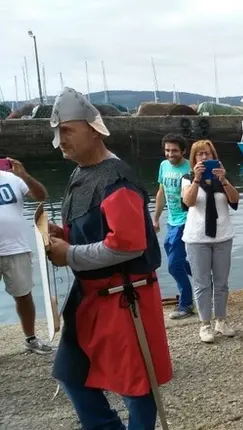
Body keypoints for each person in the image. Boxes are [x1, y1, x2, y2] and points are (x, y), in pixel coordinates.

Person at [46, 87, 171, 429]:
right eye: (59, 132)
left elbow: (128, 245)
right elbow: (96, 230)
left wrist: (69, 253)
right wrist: (65, 235)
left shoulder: (117, 179)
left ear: (93, 129)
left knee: (136, 385)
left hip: (123, 298)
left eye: (68, 130)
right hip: (91, 298)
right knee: (71, 373)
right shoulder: (80, 175)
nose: (62, 139)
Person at [181, 140, 239, 343]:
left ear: (214, 156)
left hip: (223, 236)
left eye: (207, 154)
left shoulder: (222, 177)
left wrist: (224, 181)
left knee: (221, 283)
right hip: (197, 238)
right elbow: (188, 202)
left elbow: (234, 201)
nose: (204, 157)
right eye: (200, 154)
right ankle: (205, 324)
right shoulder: (187, 178)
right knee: (202, 283)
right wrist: (197, 179)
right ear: (194, 158)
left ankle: (221, 320)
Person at [0, 157, 51, 354]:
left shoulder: (13, 178)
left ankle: (30, 339)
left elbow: (41, 196)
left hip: (16, 248)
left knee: (24, 296)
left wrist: (25, 176)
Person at [153, 133, 195, 319]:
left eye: (175, 150)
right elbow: (161, 192)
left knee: (173, 265)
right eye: (167, 150)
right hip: (172, 221)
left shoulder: (190, 167)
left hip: (187, 220)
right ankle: (208, 283)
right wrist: (156, 218)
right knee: (179, 259)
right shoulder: (163, 166)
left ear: (183, 151)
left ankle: (185, 304)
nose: (170, 154)